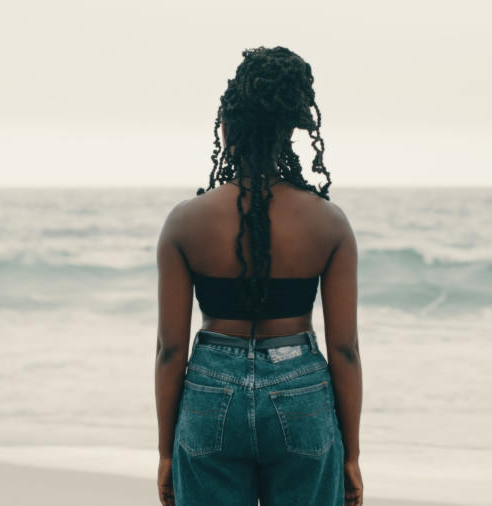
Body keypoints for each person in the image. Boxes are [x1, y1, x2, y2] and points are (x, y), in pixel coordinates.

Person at [155, 46, 363, 506]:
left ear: (227, 127)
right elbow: (344, 348)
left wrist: (165, 451)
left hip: (211, 392)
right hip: (301, 393)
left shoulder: (185, 222)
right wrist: (351, 454)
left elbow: (171, 349)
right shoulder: (328, 223)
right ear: (290, 130)